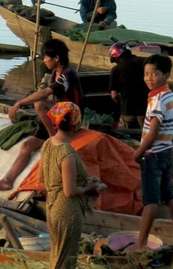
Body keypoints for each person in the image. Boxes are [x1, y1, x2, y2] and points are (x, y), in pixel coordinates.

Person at [0, 39, 84, 192]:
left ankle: (53, 140)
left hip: (70, 116)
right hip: (58, 114)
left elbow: (45, 93)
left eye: (46, 57)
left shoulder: (67, 74)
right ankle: (7, 180)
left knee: (39, 104)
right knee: (27, 145)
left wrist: (19, 103)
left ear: (56, 58)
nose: (44, 60)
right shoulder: (54, 73)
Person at [130, 54, 173, 252]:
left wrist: (138, 152)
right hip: (166, 151)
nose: (149, 78)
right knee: (168, 196)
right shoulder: (170, 96)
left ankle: (140, 244)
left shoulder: (157, 99)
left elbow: (153, 133)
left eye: (155, 74)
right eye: (146, 74)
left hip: (153, 154)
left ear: (166, 75)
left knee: (150, 201)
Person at [42, 101, 105, 269]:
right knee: (66, 258)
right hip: (67, 210)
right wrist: (89, 187)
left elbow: (43, 178)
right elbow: (70, 191)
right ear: (76, 123)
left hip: (52, 207)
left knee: (57, 255)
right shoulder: (67, 153)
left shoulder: (48, 144)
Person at [108, 42, 148, 129]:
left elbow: (114, 95)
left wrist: (121, 102)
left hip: (127, 109)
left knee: (128, 135)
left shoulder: (116, 70)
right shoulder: (145, 62)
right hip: (145, 108)